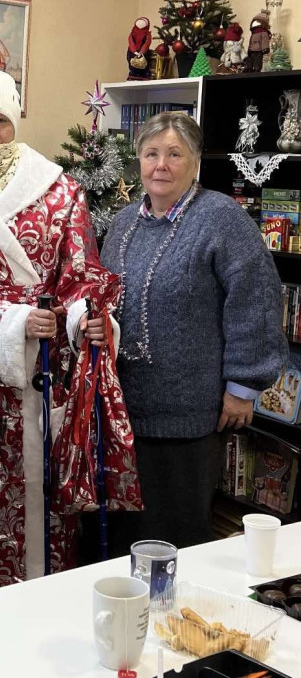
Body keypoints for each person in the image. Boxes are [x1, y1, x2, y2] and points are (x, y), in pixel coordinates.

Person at [0, 68, 138, 587]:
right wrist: (16, 321)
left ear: (14, 120)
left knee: (46, 496)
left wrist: (85, 318)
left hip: (49, 368)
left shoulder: (60, 189)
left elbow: (80, 273)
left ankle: (50, 596)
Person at [100, 112, 287, 550]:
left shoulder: (222, 219)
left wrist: (243, 385)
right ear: (139, 160)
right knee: (125, 534)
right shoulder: (124, 223)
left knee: (176, 534)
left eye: (174, 154)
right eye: (151, 154)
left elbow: (256, 299)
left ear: (196, 161)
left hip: (189, 415)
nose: (160, 165)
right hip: (123, 410)